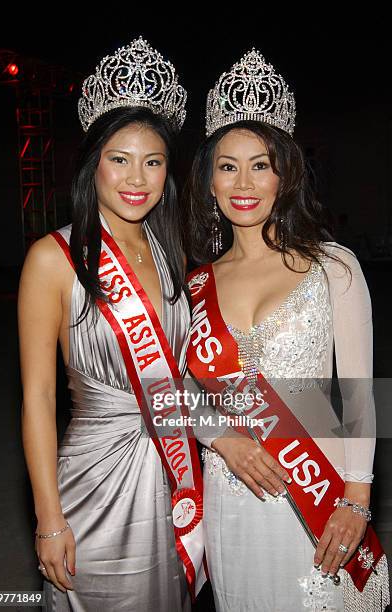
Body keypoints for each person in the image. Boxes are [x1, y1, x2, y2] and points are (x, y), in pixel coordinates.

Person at [185, 45, 390, 611]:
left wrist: (356, 496)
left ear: (286, 174)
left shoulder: (333, 266)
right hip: (232, 490)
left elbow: (357, 394)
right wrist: (221, 439)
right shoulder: (193, 284)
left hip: (318, 488)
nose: (243, 183)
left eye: (261, 164)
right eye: (228, 166)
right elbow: (174, 393)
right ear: (209, 181)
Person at [18, 36, 205, 612]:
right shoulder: (53, 257)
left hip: (173, 471)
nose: (136, 177)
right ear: (92, 163)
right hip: (93, 479)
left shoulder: (173, 250)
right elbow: (38, 397)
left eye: (153, 161)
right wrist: (49, 518)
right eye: (119, 158)